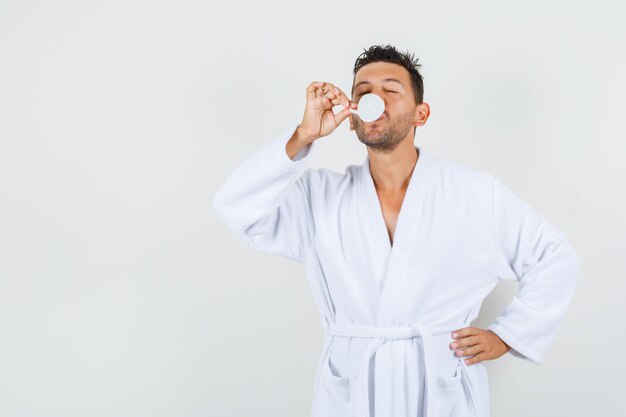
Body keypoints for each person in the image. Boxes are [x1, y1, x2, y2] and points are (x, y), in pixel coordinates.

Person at [213, 44, 580, 417]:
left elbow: (554, 256)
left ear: (421, 113)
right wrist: (302, 136)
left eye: (391, 89)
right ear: (351, 115)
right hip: (352, 391)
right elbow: (236, 206)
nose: (375, 97)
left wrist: (509, 336)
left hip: (441, 393)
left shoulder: (474, 194)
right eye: (363, 91)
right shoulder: (318, 197)